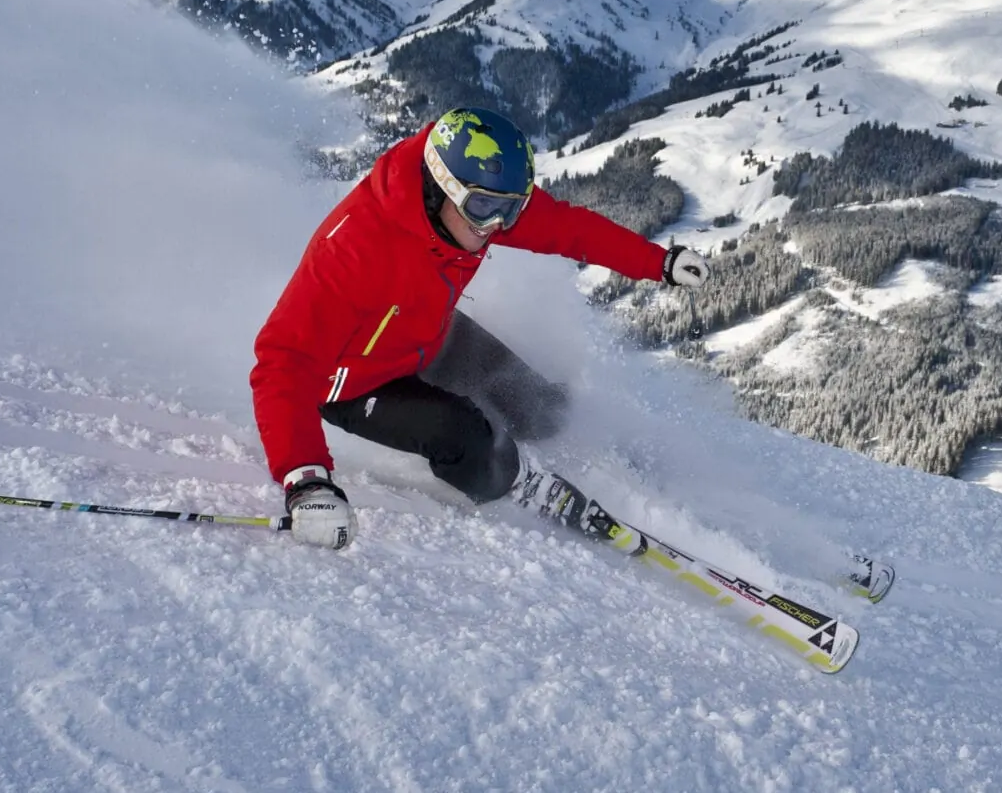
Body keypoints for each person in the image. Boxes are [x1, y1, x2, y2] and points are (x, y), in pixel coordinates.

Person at [250, 106, 709, 548]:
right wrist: (307, 481)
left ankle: (611, 469)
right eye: (484, 208)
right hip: (351, 383)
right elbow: (282, 362)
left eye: (509, 211)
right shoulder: (353, 249)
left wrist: (659, 263)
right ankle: (514, 484)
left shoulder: (473, 208)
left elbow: (569, 229)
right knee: (465, 436)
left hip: (424, 339)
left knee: (535, 402)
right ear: (439, 186)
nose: (495, 225)